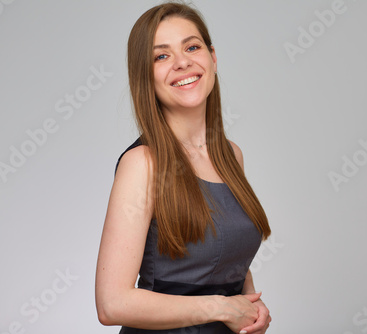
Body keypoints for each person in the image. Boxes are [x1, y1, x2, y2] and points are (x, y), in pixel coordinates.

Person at [95, 2, 272, 333]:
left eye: (192, 46)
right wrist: (220, 307)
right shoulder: (143, 164)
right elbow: (112, 303)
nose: (182, 62)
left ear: (213, 57)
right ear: (145, 75)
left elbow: (224, 256)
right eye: (161, 56)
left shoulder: (231, 156)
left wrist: (250, 302)